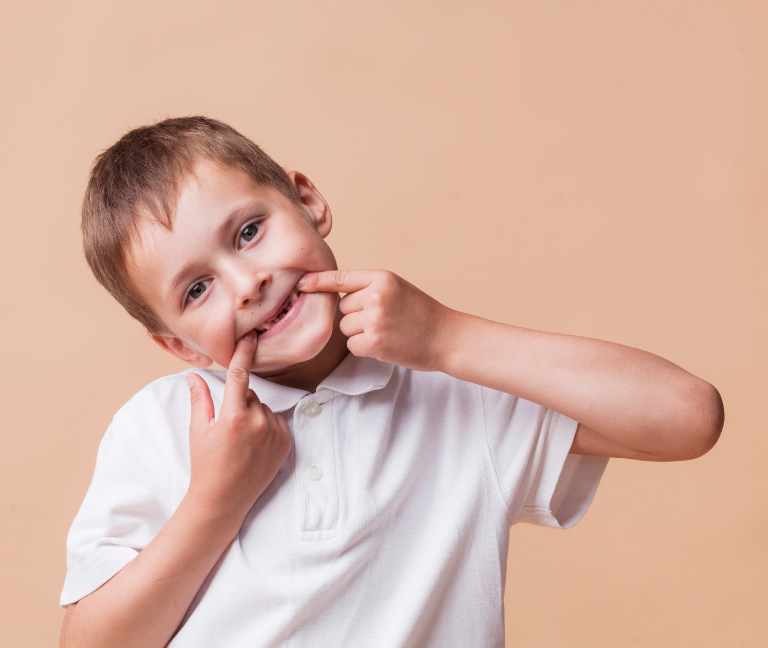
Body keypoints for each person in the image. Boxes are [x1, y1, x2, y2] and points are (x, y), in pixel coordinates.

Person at [60, 116, 724, 648]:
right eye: (198, 288)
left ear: (308, 200)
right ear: (178, 344)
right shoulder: (160, 426)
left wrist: (446, 337)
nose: (248, 284)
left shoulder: (454, 392)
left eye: (250, 231)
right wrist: (215, 498)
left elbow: (689, 417)